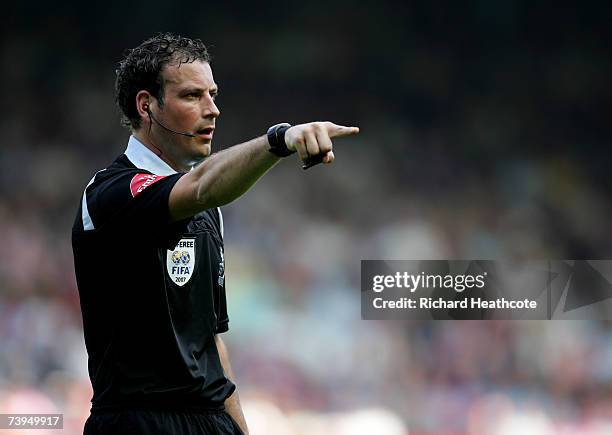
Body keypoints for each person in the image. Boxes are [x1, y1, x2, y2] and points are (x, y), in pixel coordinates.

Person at [71, 32, 359, 435]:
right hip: (139, 421)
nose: (213, 110)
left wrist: (240, 430)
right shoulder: (111, 193)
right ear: (147, 105)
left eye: (213, 94)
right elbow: (201, 186)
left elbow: (209, 343)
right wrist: (280, 139)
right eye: (192, 96)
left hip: (210, 423)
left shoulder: (209, 211)